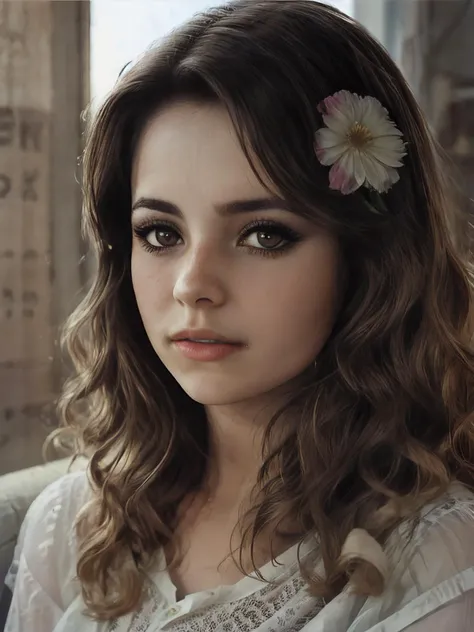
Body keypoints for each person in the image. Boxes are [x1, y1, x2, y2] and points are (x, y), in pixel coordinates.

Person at [4, 1, 474, 630]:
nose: (193, 286)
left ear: (368, 256)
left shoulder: (434, 559)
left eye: (262, 235)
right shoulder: (73, 525)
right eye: (161, 233)